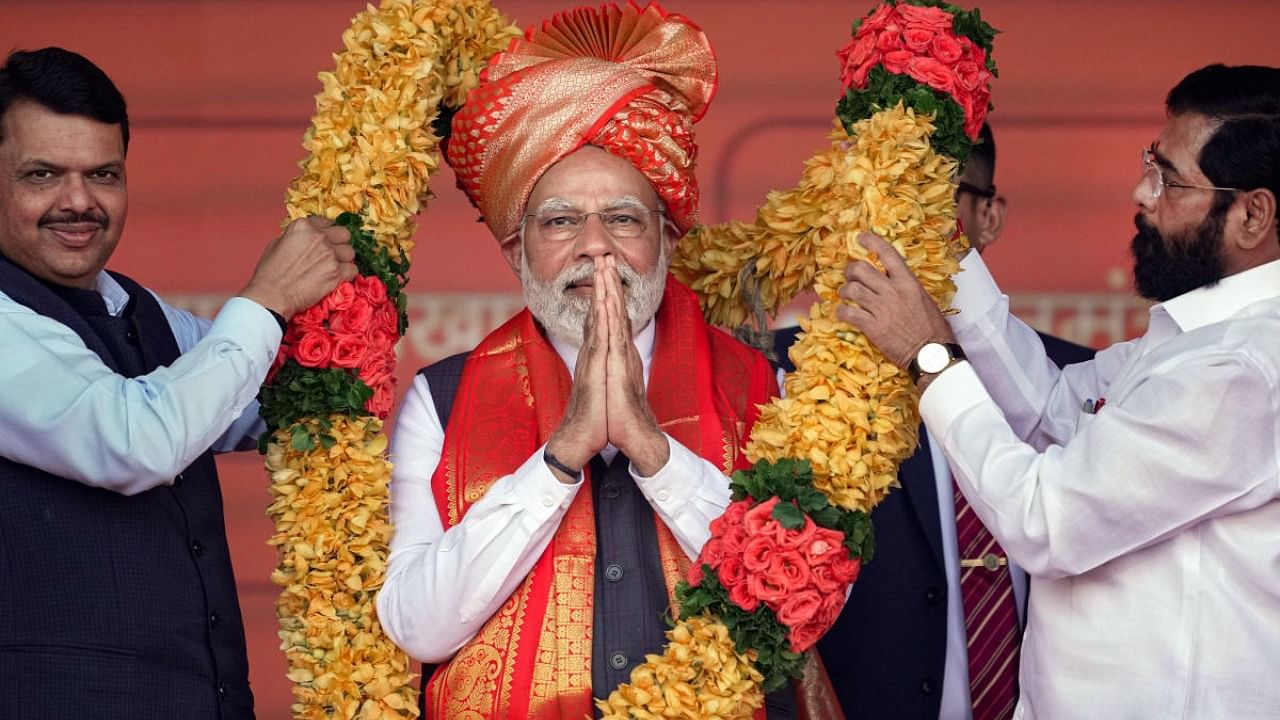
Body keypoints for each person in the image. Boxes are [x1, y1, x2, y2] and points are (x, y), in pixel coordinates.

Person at [374, 3, 795, 718]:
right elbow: (417, 625)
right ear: (517, 251)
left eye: (624, 220)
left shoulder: (758, 384)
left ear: (664, 240)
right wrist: (561, 455)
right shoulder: (440, 399)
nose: (595, 246)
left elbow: (799, 602)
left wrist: (654, 453)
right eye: (561, 221)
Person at [837, 63, 1280, 718]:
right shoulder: (1190, 344)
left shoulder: (1240, 371)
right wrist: (941, 238)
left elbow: (1047, 521)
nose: (1141, 191)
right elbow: (1048, 411)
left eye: (1168, 179)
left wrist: (928, 356)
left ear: (1253, 215)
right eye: (1147, 164)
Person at [0, 47, 356, 719]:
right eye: (42, 175)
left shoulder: (136, 309)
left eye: (103, 174)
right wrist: (270, 296)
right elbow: (136, 440)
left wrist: (353, 308)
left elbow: (262, 400)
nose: (78, 201)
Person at [773, 122, 1092, 720]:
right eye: (870, 197)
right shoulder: (783, 378)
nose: (897, 227)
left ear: (988, 217)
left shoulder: (1069, 381)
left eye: (927, 198)